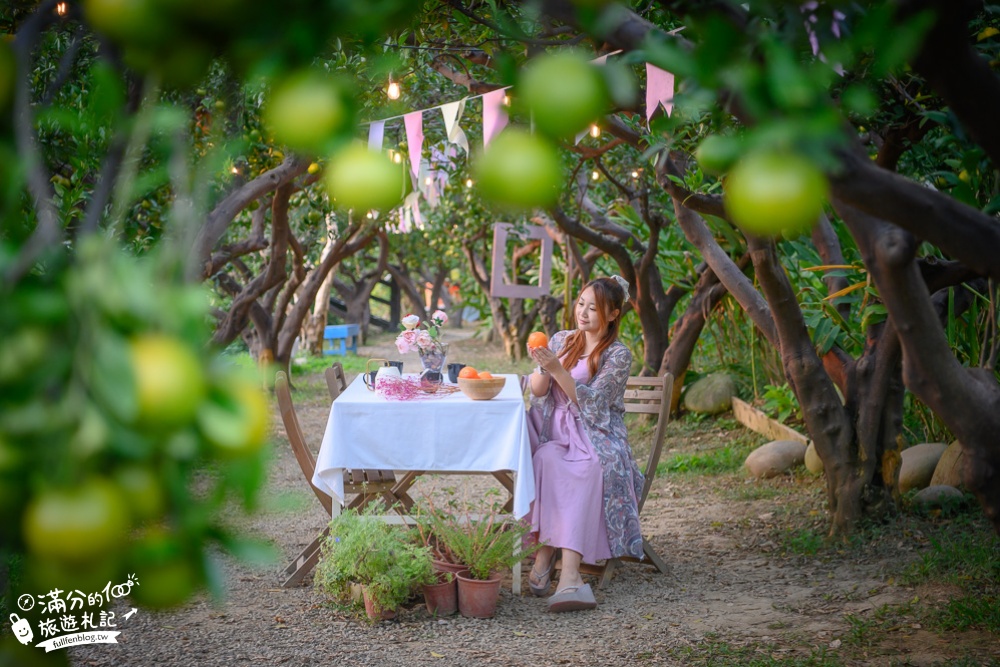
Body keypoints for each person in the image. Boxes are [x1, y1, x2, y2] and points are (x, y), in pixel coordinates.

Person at [525, 275, 645, 613]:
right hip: (556, 432)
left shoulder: (618, 355)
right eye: (581, 304)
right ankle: (546, 552)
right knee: (545, 458)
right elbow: (538, 391)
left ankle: (570, 577)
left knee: (589, 469)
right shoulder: (562, 339)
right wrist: (541, 366)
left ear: (613, 314)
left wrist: (556, 369)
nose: (584, 312)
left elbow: (594, 405)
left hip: (596, 434)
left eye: (595, 308)